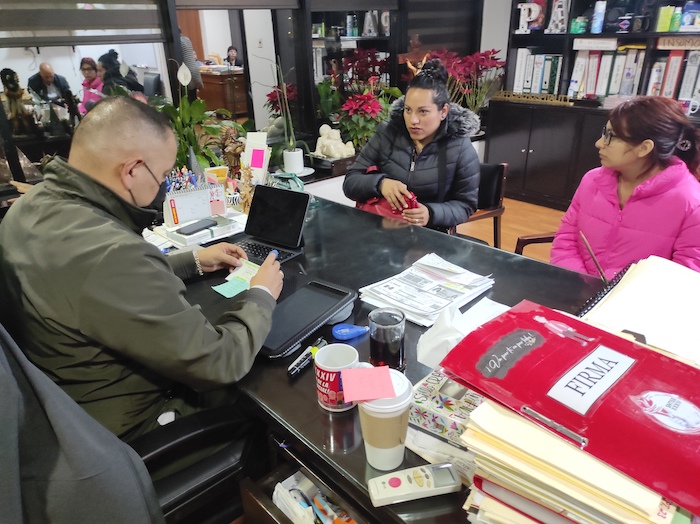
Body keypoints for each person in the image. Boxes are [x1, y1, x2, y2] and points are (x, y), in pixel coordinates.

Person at [0, 96, 284, 441]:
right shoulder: (112, 254)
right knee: (271, 389)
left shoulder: (26, 209)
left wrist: (193, 259)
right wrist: (261, 295)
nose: (163, 186)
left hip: (62, 407)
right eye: (162, 175)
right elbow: (220, 361)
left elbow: (90, 282)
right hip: (132, 428)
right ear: (132, 170)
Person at [550, 96, 700, 278]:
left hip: (637, 296)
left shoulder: (691, 202)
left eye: (610, 137)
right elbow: (566, 240)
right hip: (577, 288)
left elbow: (684, 275)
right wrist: (581, 283)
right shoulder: (592, 180)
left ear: (644, 148)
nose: (599, 143)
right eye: (604, 133)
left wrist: (614, 291)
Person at [342, 59, 480, 232]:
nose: (413, 120)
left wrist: (430, 213)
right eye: (408, 110)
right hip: (382, 228)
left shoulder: (459, 146)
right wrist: (380, 184)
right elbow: (350, 182)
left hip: (430, 233)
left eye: (423, 111)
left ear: (443, 111)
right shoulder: (388, 133)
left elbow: (466, 205)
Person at [180, 32, 203, 102]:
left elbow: (189, 64)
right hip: (191, 75)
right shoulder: (186, 40)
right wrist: (199, 83)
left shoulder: (179, 42)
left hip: (186, 77)